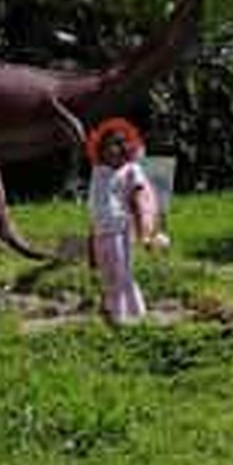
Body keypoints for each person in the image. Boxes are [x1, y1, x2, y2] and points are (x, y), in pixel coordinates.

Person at [86, 118, 168, 326]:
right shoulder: (99, 172)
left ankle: (129, 316)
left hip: (119, 230)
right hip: (101, 232)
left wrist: (144, 232)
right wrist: (90, 242)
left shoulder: (131, 170)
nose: (118, 148)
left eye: (122, 142)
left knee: (121, 274)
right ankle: (114, 313)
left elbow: (140, 200)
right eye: (111, 143)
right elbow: (94, 208)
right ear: (100, 148)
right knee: (107, 275)